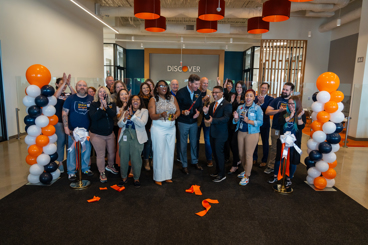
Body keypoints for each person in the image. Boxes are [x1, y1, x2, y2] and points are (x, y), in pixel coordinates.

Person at [268, 96, 306, 186]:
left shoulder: (301, 113)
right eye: (289, 103)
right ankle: (275, 176)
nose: (290, 105)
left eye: (293, 103)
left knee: (293, 160)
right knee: (279, 158)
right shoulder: (284, 112)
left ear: (297, 104)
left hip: (294, 142)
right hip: (283, 140)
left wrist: (299, 117)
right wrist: (290, 117)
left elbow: (301, 127)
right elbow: (279, 122)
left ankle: (289, 178)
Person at [148, 80, 180, 185]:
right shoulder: (153, 100)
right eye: (161, 85)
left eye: (165, 85)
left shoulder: (172, 98)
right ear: (157, 88)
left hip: (171, 128)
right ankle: (158, 177)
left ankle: (167, 176)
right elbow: (152, 116)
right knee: (159, 152)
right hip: (159, 128)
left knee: (170, 152)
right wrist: (161, 115)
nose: (164, 87)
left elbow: (178, 111)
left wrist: (175, 116)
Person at [62, 80, 94, 181]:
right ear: (76, 87)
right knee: (72, 151)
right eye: (80, 85)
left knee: (86, 150)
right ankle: (71, 172)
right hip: (72, 131)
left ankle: (85, 168)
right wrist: (66, 127)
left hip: (87, 131)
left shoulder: (91, 98)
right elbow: (64, 113)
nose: (82, 87)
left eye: (84, 85)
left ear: (87, 87)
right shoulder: (70, 98)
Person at [233, 89, 263, 186]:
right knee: (241, 154)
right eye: (247, 96)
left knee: (248, 155)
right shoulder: (240, 107)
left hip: (252, 133)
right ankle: (245, 170)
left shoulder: (257, 108)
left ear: (254, 98)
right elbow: (235, 122)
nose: (248, 98)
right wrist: (235, 118)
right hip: (241, 132)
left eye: (251, 96)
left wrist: (249, 121)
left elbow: (260, 122)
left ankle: (247, 176)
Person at [117, 95, 148, 188]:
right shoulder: (126, 111)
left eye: (137, 99)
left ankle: (136, 178)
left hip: (137, 137)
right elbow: (119, 124)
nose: (135, 101)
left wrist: (133, 116)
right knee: (123, 158)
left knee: (136, 159)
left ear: (140, 102)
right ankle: (123, 178)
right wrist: (125, 118)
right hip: (125, 135)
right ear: (131, 102)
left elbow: (142, 123)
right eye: (133, 99)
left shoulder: (144, 111)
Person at [89, 86, 118, 183]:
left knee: (111, 152)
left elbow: (113, 115)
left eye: (104, 91)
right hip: (97, 134)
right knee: (101, 154)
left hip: (109, 133)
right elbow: (93, 117)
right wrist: (101, 108)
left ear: (107, 94)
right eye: (100, 91)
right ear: (97, 93)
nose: (102, 93)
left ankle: (110, 165)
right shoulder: (93, 104)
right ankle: (102, 172)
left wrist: (106, 106)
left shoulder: (111, 103)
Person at [264, 82, 295, 175]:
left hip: (289, 130)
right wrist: (279, 111)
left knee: (288, 150)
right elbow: (267, 112)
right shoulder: (276, 100)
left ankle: (284, 169)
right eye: (283, 89)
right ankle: (271, 166)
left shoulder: (294, 101)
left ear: (291, 91)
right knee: (274, 148)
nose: (284, 91)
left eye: (287, 90)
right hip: (276, 128)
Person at [203, 86, 232, 182]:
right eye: (213, 93)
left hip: (221, 134)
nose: (214, 94)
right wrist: (206, 113)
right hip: (213, 133)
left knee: (219, 154)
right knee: (214, 153)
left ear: (222, 93)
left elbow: (226, 118)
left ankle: (222, 174)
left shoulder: (227, 105)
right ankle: (217, 170)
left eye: (216, 92)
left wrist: (213, 120)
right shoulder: (211, 104)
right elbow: (208, 118)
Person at [175, 74, 203, 174]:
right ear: (190, 83)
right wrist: (183, 112)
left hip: (194, 122)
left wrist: (198, 112)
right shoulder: (181, 92)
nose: (197, 86)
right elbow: (176, 108)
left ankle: (194, 161)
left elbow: (200, 106)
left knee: (194, 142)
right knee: (182, 144)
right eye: (196, 84)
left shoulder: (198, 92)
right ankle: (184, 164)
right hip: (183, 122)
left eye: (198, 84)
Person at [54, 73, 76, 173]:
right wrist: (63, 85)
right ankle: (60, 162)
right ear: (57, 84)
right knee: (61, 141)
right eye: (61, 83)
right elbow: (55, 97)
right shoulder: (54, 95)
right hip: (59, 122)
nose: (64, 86)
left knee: (70, 143)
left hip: (70, 122)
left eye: (65, 84)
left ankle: (70, 163)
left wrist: (69, 84)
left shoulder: (68, 95)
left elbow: (75, 95)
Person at [253, 82, 274, 167]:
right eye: (262, 87)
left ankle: (264, 160)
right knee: (254, 141)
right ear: (260, 88)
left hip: (265, 123)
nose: (263, 89)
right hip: (255, 123)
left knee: (265, 142)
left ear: (267, 89)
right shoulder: (255, 98)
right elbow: (252, 107)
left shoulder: (270, 99)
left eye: (265, 88)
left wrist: (261, 103)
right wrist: (258, 103)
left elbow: (267, 110)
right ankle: (254, 158)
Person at [228, 81, 246, 174]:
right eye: (237, 87)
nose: (238, 89)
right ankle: (237, 159)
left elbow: (243, 110)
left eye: (240, 87)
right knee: (231, 143)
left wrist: (239, 103)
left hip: (240, 124)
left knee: (234, 143)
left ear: (243, 88)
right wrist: (231, 101)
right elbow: (230, 109)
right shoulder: (233, 96)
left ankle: (235, 164)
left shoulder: (245, 97)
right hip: (232, 123)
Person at [196, 77, 214, 167]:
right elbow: (194, 104)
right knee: (196, 139)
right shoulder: (196, 93)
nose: (205, 85)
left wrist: (209, 104)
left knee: (207, 140)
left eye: (207, 83)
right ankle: (195, 158)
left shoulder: (210, 93)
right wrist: (202, 100)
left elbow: (214, 106)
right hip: (197, 119)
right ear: (200, 84)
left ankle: (209, 159)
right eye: (204, 83)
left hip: (207, 120)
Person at [138, 82, 153, 171]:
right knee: (140, 143)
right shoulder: (138, 98)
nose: (146, 89)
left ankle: (146, 160)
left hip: (149, 124)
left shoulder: (152, 98)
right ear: (141, 89)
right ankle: (138, 160)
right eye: (144, 88)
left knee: (148, 143)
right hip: (140, 123)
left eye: (147, 87)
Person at [115, 88, 129, 166]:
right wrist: (123, 107)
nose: (124, 96)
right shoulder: (117, 107)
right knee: (122, 148)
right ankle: (122, 165)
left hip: (131, 129)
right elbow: (118, 118)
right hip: (122, 129)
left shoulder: (132, 104)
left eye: (125, 94)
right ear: (119, 97)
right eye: (122, 94)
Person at [169, 79, 181, 162]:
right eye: (173, 84)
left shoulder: (180, 94)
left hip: (180, 119)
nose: (175, 86)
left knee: (179, 138)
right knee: (170, 138)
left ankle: (179, 156)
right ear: (170, 85)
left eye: (176, 84)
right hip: (170, 119)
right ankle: (169, 156)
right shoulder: (167, 95)